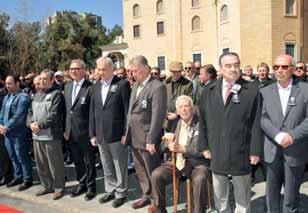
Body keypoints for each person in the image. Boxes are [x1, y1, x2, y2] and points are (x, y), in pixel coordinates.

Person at [199, 52, 262, 212]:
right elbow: (203, 121)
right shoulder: (209, 90)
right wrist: (204, 146)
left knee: (242, 197)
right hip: (216, 149)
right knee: (220, 196)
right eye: (228, 65)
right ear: (220, 68)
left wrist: (255, 151)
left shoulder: (252, 90)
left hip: (241, 150)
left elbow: (256, 123)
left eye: (236, 64)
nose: (233, 69)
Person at [261, 54, 308, 213]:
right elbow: (262, 117)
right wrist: (277, 135)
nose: (279, 70)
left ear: (293, 69)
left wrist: (292, 136)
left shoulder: (305, 90)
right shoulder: (265, 91)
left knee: (291, 196)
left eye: (284, 67)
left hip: (295, 150)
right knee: (271, 195)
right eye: (276, 67)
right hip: (272, 150)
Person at [149, 95, 210, 213]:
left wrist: (183, 148)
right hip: (176, 161)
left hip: (197, 163)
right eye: (180, 107)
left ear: (192, 108)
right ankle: (160, 209)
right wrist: (167, 142)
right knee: (156, 175)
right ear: (177, 110)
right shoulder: (174, 123)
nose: (183, 109)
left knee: (200, 179)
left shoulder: (201, 123)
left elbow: (204, 149)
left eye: (186, 106)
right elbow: (163, 148)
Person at [124, 55, 167, 209]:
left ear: (145, 68)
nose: (132, 74)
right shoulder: (135, 85)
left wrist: (151, 139)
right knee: (140, 169)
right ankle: (146, 195)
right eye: (131, 71)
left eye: (135, 71)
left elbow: (158, 115)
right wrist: (126, 132)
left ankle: (157, 201)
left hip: (148, 137)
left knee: (152, 169)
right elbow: (130, 111)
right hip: (134, 136)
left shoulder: (157, 87)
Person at [89, 57, 131, 208]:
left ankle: (121, 192)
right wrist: (92, 133)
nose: (101, 72)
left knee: (119, 165)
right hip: (100, 134)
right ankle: (110, 189)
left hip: (117, 133)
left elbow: (127, 111)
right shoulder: (95, 87)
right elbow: (92, 112)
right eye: (99, 69)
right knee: (106, 164)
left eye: (104, 69)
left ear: (112, 68)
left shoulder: (122, 84)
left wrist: (126, 132)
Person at [29, 70, 66, 200]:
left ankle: (59, 188)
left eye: (45, 79)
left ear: (51, 80)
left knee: (55, 164)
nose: (42, 81)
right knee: (41, 163)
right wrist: (30, 124)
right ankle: (47, 186)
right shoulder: (36, 95)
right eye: (41, 79)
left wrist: (39, 125)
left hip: (51, 136)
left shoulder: (57, 95)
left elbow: (54, 115)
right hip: (37, 136)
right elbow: (29, 113)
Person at [64, 59, 96, 201]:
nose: (73, 71)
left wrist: (92, 133)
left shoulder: (91, 88)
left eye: (76, 68)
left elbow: (93, 113)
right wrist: (65, 129)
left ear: (83, 70)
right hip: (71, 132)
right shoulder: (67, 87)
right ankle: (81, 183)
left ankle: (91, 187)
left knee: (89, 161)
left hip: (85, 132)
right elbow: (66, 110)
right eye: (71, 69)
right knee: (77, 160)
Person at [0, 75, 32, 191]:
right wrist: (1, 124)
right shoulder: (6, 97)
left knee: (22, 156)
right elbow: (2, 112)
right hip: (7, 133)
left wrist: (6, 127)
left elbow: (19, 115)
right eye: (6, 84)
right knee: (13, 156)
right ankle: (18, 176)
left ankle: (27, 179)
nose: (7, 86)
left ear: (17, 83)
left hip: (19, 133)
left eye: (10, 83)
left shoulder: (23, 97)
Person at [165, 61, 193, 132]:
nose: (175, 74)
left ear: (181, 71)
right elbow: (161, 101)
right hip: (167, 120)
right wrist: (165, 114)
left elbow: (189, 101)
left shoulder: (188, 84)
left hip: (181, 119)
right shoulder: (165, 83)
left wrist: (176, 114)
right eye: (173, 72)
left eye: (178, 71)